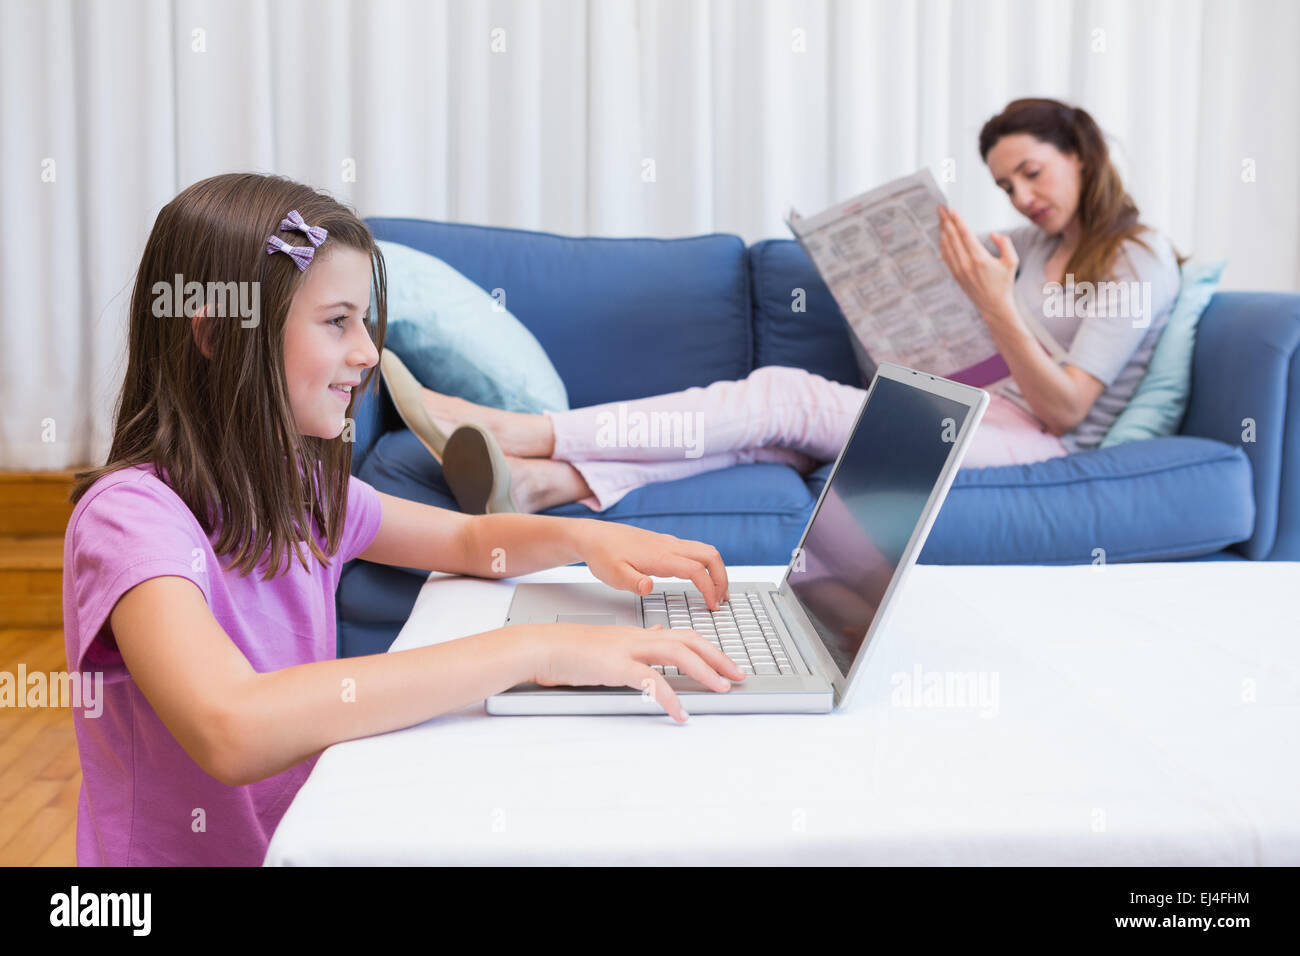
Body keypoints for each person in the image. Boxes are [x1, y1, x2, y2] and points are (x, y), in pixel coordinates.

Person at [64, 173, 741, 867]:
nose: (366, 353)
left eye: (364, 320)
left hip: (303, 842)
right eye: (336, 322)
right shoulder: (131, 520)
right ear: (215, 334)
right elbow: (231, 726)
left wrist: (589, 536)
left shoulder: (300, 489)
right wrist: (536, 648)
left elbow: (471, 539)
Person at [413, 98, 1186, 515]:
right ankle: (543, 485)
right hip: (973, 405)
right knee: (773, 444)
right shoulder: (1029, 244)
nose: (1021, 196)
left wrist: (996, 308)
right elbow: (983, 359)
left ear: (1080, 153)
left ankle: (526, 432)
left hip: (1039, 444)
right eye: (1006, 184)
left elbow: (1067, 410)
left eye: (1031, 173)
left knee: (783, 396)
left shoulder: (1134, 257)